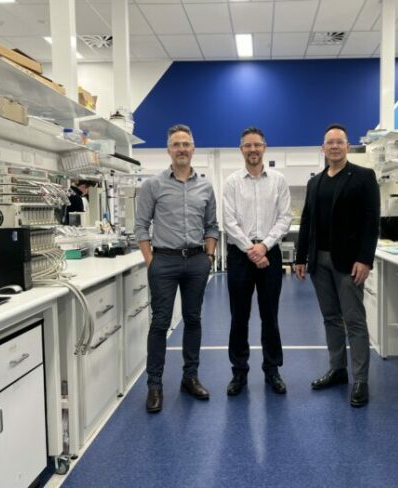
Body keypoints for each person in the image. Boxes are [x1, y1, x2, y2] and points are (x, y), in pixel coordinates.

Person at [134, 124, 219, 413]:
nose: (181, 149)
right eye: (176, 144)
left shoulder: (205, 187)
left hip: (196, 261)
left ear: (193, 149)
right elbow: (141, 226)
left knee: (193, 320)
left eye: (186, 144)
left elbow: (212, 226)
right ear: (168, 150)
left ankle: (190, 377)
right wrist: (151, 261)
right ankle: (154, 385)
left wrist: (209, 257)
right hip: (164, 261)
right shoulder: (153, 185)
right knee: (160, 323)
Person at [295, 123, 380, 408]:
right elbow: (307, 221)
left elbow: (371, 222)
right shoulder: (315, 183)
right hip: (319, 261)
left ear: (347, 146)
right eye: (329, 142)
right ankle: (338, 369)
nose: (334, 146)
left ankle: (360, 380)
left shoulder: (363, 177)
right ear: (323, 148)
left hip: (349, 263)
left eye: (339, 142)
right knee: (331, 318)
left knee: (354, 320)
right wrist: (300, 257)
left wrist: (365, 259)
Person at [223, 127, 292, 396]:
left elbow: (284, 218)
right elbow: (229, 221)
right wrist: (251, 250)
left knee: (270, 316)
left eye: (257, 145)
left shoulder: (278, 180)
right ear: (241, 149)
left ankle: (272, 370)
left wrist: (264, 246)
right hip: (240, 256)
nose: (253, 149)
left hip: (269, 253)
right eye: (248, 145)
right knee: (239, 317)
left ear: (265, 147)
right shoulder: (232, 182)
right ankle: (239, 372)